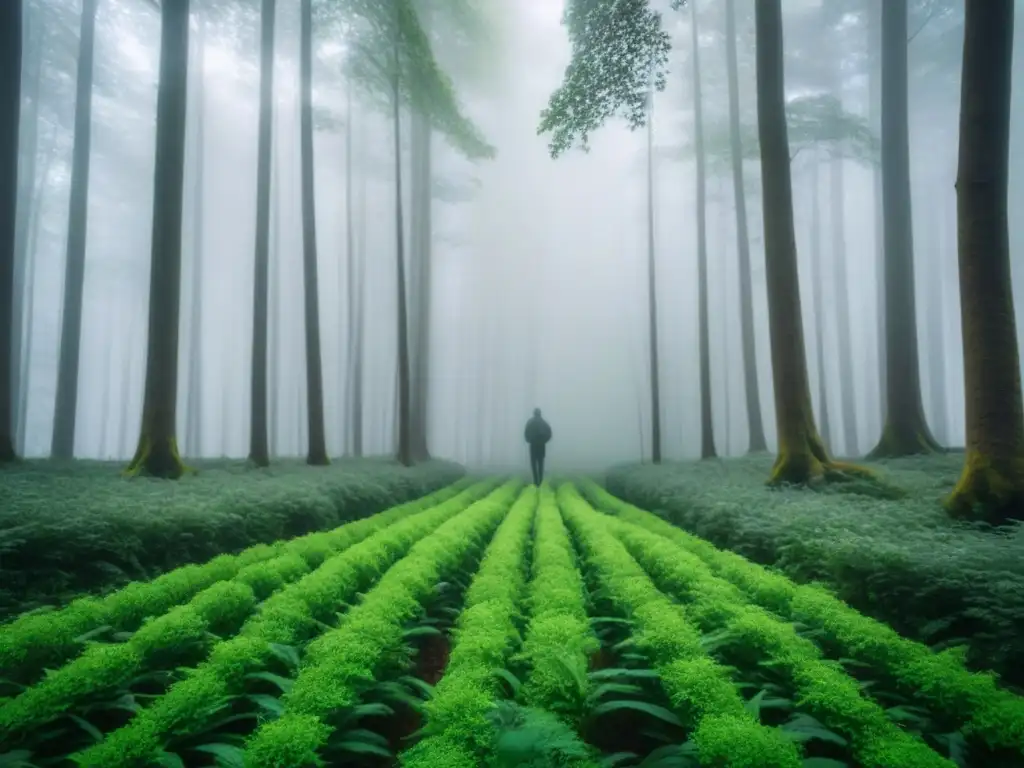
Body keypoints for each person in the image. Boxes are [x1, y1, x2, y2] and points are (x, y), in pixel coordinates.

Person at [524, 408, 553, 485]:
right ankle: (540, 479)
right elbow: (549, 434)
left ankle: (535, 480)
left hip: (533, 445)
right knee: (541, 463)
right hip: (541, 446)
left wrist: (529, 440)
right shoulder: (544, 423)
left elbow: (526, 434)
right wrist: (544, 441)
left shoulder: (530, 422)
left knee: (533, 463)